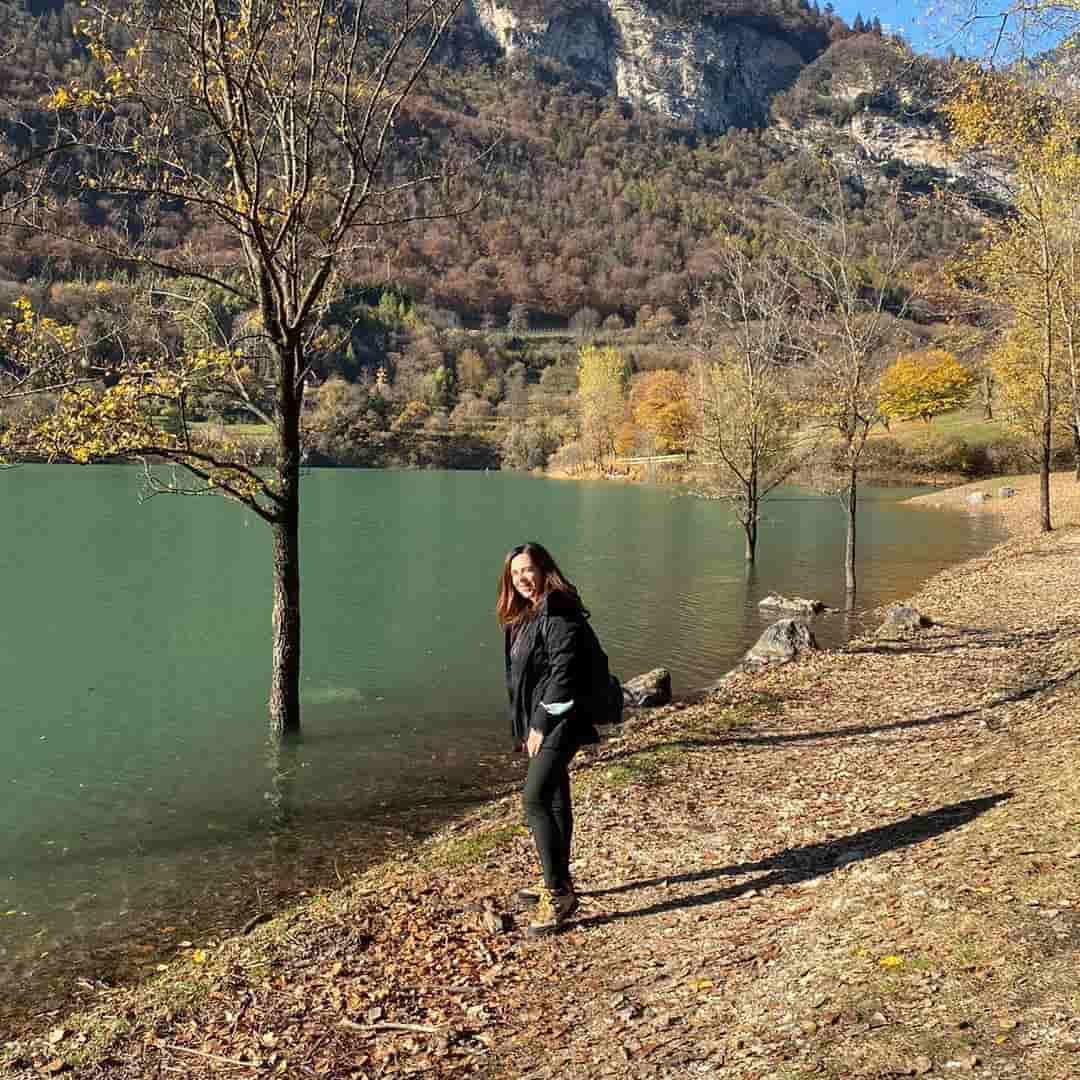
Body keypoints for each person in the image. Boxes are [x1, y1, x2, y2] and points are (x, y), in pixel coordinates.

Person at [497, 542, 601, 938]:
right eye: (515, 573)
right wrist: (524, 725)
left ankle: (557, 893)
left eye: (528, 570)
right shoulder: (525, 614)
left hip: (563, 720)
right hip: (543, 720)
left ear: (544, 570)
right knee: (555, 795)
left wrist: (539, 723)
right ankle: (558, 879)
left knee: (534, 798)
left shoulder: (557, 611)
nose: (523, 579)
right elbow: (523, 679)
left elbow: (564, 675)